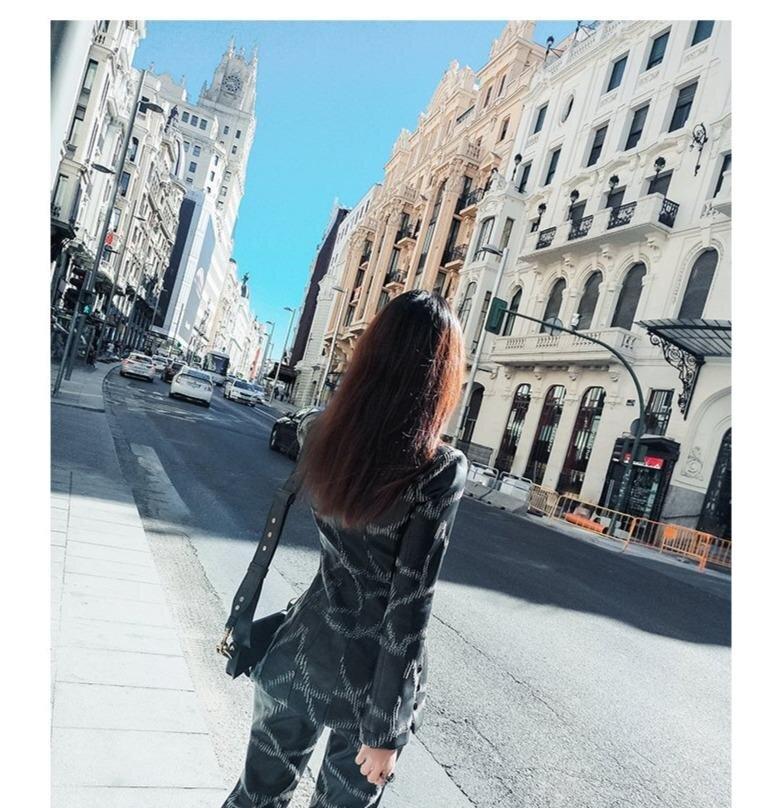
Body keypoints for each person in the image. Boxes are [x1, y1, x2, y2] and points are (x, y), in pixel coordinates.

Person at [223, 290, 469, 808]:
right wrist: (386, 731)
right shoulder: (438, 469)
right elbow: (409, 605)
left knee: (253, 799)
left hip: (296, 656)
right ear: (441, 377)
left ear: (369, 355)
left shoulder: (320, 431)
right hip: (370, 688)